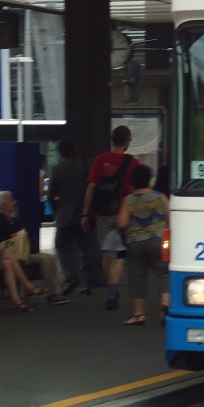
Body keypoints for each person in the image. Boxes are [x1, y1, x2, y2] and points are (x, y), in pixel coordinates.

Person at [81, 126, 137, 311]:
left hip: (101, 211)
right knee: (120, 252)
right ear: (127, 140)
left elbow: (90, 188)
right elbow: (137, 191)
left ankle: (110, 288)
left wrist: (85, 213)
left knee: (107, 252)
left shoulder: (100, 159)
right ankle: (112, 291)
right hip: (123, 211)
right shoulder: (132, 163)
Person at [0, 190, 68, 304]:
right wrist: (10, 237)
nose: (13, 202)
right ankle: (53, 293)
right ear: (3, 205)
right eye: (10, 200)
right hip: (13, 255)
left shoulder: (14, 220)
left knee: (51, 257)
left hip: (22, 253)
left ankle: (56, 290)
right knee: (44, 259)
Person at [48, 140, 100, 296]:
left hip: (65, 216)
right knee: (86, 250)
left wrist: (59, 210)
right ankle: (86, 283)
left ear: (60, 153)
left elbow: (51, 196)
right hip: (85, 215)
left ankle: (71, 277)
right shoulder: (87, 165)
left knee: (62, 247)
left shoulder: (57, 170)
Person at [119, 164, 169, 326]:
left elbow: (122, 222)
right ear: (149, 179)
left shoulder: (129, 199)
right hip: (159, 240)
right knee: (163, 272)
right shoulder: (160, 197)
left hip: (136, 242)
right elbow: (171, 217)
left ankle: (139, 314)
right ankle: (165, 306)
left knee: (137, 275)